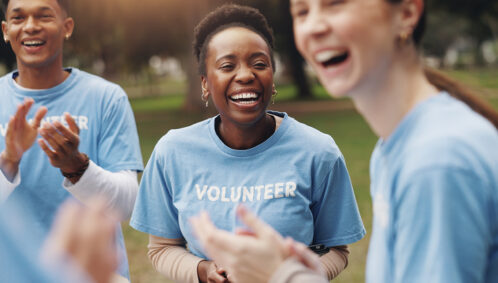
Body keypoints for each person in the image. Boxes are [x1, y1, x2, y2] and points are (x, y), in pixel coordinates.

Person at [189, 0, 498, 282]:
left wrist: (283, 276)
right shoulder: (394, 147)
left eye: (336, 4)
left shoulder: (436, 161)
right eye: (302, 12)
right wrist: (300, 270)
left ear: (406, 13)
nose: (314, 26)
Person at [130, 4, 365, 283]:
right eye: (227, 66)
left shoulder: (318, 152)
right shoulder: (172, 152)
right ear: (205, 83)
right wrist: (203, 270)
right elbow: (162, 248)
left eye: (259, 64)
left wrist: (291, 276)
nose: (245, 75)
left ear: (272, 77)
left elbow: (337, 250)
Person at [0, 0, 143, 279]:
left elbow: (126, 205)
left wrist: (77, 167)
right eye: (18, 19)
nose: (30, 27)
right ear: (6, 30)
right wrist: (10, 159)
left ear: (67, 27)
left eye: (44, 16)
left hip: (93, 274)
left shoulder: (107, 98)